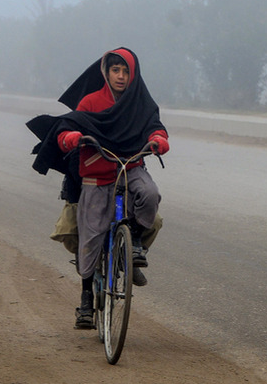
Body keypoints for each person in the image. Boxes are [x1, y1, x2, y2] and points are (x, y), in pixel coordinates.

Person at [27, 47, 169, 329]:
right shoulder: (91, 101)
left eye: (126, 71)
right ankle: (86, 300)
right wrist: (71, 138)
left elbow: (156, 127)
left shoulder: (141, 102)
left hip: (130, 168)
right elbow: (68, 126)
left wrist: (158, 140)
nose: (121, 76)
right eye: (115, 70)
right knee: (90, 238)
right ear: (106, 72)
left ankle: (134, 246)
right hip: (96, 174)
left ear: (133, 74)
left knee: (151, 195)